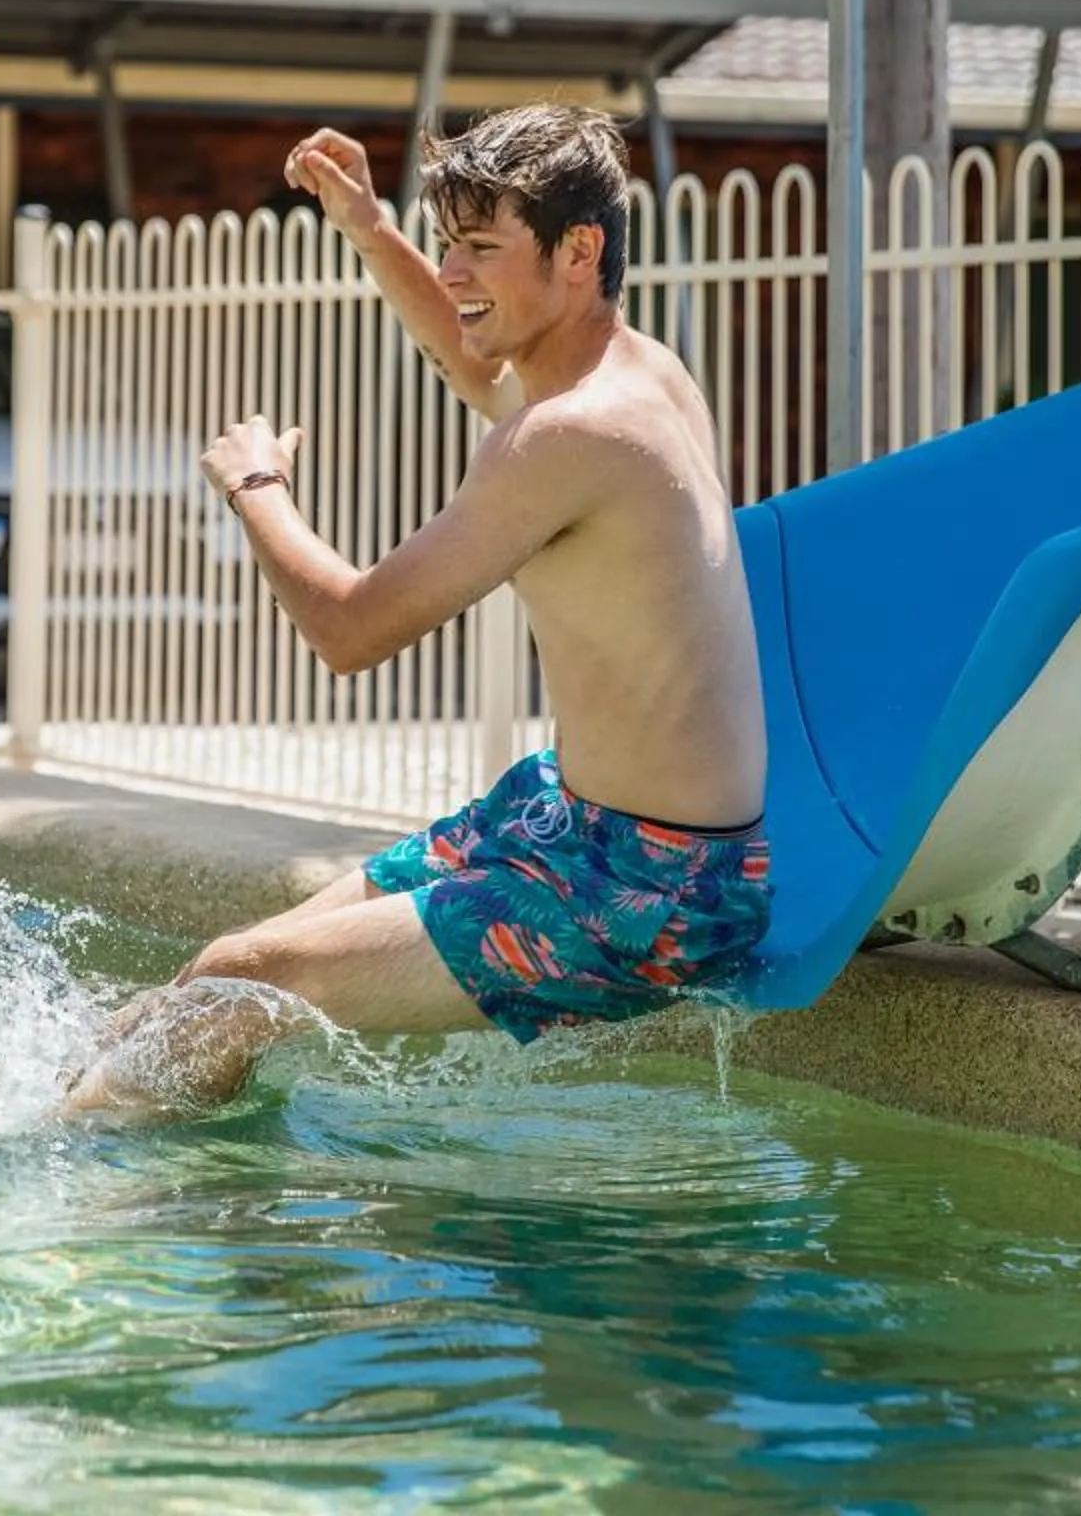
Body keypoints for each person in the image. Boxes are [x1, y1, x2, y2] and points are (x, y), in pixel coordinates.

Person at [61, 104, 771, 1122]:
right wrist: (364, 224)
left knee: (247, 974)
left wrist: (257, 485)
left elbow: (348, 630)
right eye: (448, 246)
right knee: (195, 989)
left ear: (581, 250)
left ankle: (55, 1188)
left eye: (480, 249)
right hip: (562, 818)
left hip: (647, 895)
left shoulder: (573, 435)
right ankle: (47, 1107)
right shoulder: (638, 372)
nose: (452, 274)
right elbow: (472, 358)